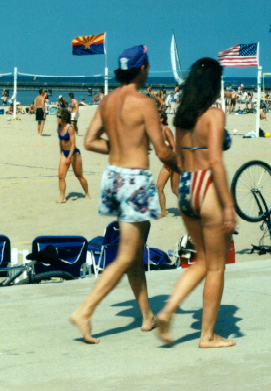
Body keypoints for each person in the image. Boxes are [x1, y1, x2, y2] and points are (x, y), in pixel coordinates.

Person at [70, 45, 177, 344]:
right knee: (129, 252)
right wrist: (182, 160)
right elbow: (162, 150)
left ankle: (146, 315)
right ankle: (85, 311)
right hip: (135, 181)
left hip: (113, 178)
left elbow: (90, 141)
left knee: (135, 248)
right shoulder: (144, 104)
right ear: (142, 69)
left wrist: (117, 148)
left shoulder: (108, 101)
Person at [155, 57, 236, 348]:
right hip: (207, 187)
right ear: (213, 86)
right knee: (216, 267)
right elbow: (215, 160)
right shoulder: (214, 115)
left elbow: (175, 157)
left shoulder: (182, 116)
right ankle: (207, 336)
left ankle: (167, 310)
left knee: (202, 261)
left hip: (186, 187)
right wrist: (228, 205)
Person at [55, 108, 89, 203]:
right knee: (61, 176)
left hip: (74, 154)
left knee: (79, 175)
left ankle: (86, 193)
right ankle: (62, 198)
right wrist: (61, 153)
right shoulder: (59, 127)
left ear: (64, 118)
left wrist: (69, 157)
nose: (57, 118)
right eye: (57, 116)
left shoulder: (70, 128)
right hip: (64, 153)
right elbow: (61, 141)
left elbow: (73, 144)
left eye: (59, 117)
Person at [156, 111, 179, 217]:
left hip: (174, 162)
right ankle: (163, 212)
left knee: (175, 190)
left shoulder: (166, 130)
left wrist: (171, 163)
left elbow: (174, 147)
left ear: (161, 119)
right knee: (159, 187)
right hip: (166, 164)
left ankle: (190, 208)